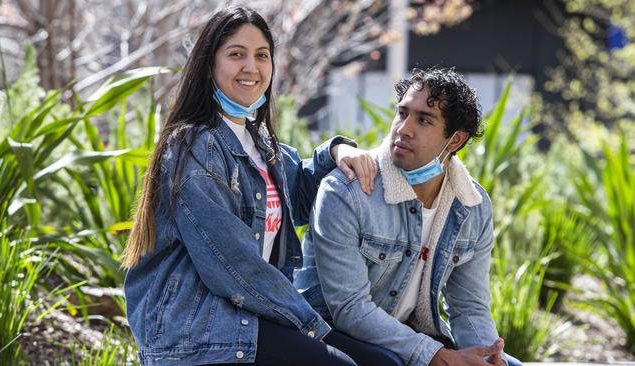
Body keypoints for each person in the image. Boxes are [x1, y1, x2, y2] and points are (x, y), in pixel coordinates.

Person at [122, 7, 381, 366]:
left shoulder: (259, 143)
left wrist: (336, 150)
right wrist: (311, 325)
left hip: (249, 319)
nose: (251, 67)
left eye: (262, 56)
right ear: (208, 64)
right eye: (236, 54)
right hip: (198, 329)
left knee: (383, 361)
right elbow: (235, 264)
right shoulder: (197, 147)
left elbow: (298, 196)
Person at [295, 67, 523, 366]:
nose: (404, 128)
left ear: (455, 140)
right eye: (402, 113)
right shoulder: (346, 190)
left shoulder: (473, 206)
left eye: (424, 120)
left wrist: (487, 355)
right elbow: (350, 309)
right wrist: (434, 356)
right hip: (331, 334)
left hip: (408, 336)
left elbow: (469, 307)